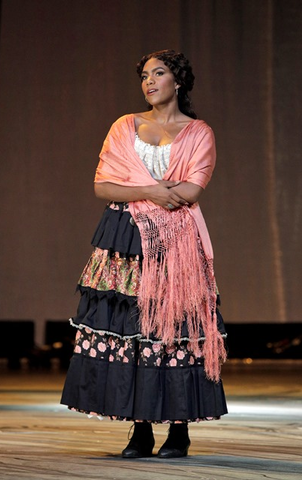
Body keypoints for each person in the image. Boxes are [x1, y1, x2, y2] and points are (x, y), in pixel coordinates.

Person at [61, 49, 227, 459]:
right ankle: (139, 430)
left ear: (179, 81)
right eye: (144, 75)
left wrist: (143, 190)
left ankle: (179, 429)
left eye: (159, 73)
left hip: (177, 245)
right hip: (125, 239)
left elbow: (191, 191)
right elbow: (104, 185)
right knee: (132, 329)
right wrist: (153, 191)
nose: (149, 82)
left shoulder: (199, 132)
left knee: (173, 330)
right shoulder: (124, 127)